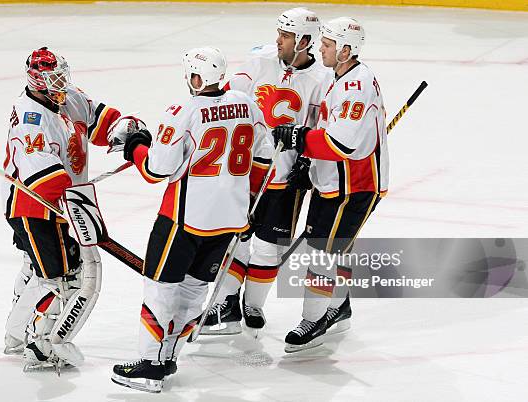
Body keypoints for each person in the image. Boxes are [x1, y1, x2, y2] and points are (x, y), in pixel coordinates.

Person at [109, 47, 274, 393]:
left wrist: (136, 146)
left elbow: (157, 170)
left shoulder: (183, 110)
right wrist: (249, 201)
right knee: (193, 293)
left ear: (196, 78)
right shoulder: (247, 103)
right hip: (229, 222)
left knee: (160, 289)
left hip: (183, 222)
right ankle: (168, 357)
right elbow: (264, 156)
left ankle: (149, 366)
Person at [201, 7, 334, 336]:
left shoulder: (322, 80)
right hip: (247, 170)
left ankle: (253, 304)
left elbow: (323, 129)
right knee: (236, 238)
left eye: (286, 36)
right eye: (280, 33)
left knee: (267, 246)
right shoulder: (259, 62)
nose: (279, 40)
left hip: (286, 177)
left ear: (304, 41)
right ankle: (228, 304)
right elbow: (230, 99)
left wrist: (310, 163)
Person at [2, 47, 127, 371]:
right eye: (54, 78)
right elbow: (45, 179)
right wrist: (79, 209)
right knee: (59, 279)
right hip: (34, 207)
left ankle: (15, 336)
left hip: (58, 204)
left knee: (37, 268)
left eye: (62, 75)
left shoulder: (69, 95)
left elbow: (104, 121)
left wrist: (128, 132)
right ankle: (40, 346)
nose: (63, 82)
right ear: (38, 81)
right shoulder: (30, 117)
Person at [271, 17, 389, 353]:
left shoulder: (357, 86)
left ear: (346, 50)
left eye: (327, 45)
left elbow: (343, 144)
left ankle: (314, 319)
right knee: (335, 248)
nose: (320, 49)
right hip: (334, 181)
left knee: (321, 253)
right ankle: (339, 306)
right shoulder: (339, 77)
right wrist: (309, 162)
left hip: (355, 186)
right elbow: (330, 129)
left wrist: (300, 139)